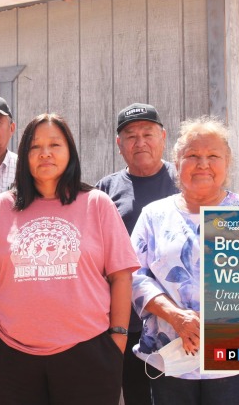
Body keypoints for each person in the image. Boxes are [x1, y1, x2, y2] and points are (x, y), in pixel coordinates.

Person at [0, 113, 139, 405]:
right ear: (24, 155)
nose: (45, 153)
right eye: (35, 147)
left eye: (55, 145)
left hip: (89, 354)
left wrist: (118, 340)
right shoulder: (2, 208)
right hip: (11, 357)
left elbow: (121, 276)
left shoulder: (97, 204)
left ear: (70, 151)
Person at [131, 116, 239, 404]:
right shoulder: (154, 215)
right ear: (176, 163)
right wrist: (178, 318)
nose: (203, 163)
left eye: (213, 155)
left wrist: (211, 326)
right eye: (192, 155)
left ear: (227, 163)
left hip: (233, 359)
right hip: (170, 358)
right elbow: (134, 275)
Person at [96, 102, 178, 405]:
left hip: (181, 321)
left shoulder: (184, 181)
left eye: (148, 133)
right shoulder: (106, 189)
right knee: (138, 397)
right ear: (120, 145)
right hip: (127, 321)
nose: (140, 142)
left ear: (163, 137)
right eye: (130, 136)